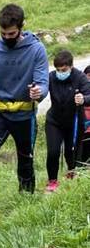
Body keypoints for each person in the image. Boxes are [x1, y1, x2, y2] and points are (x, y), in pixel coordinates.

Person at [0, 4, 49, 225]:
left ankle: (26, 201)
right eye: (3, 33)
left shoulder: (36, 50)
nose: (7, 37)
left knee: (25, 159)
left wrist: (38, 92)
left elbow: (43, 83)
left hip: (25, 115)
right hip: (0, 113)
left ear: (21, 27)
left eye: (12, 34)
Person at [44, 50, 90, 191]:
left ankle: (71, 173)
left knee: (72, 152)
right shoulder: (51, 77)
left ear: (71, 66)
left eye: (63, 70)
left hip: (75, 122)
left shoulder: (80, 77)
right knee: (53, 151)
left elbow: (89, 94)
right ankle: (52, 181)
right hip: (54, 121)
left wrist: (83, 99)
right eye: (58, 69)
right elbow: (41, 87)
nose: (60, 72)